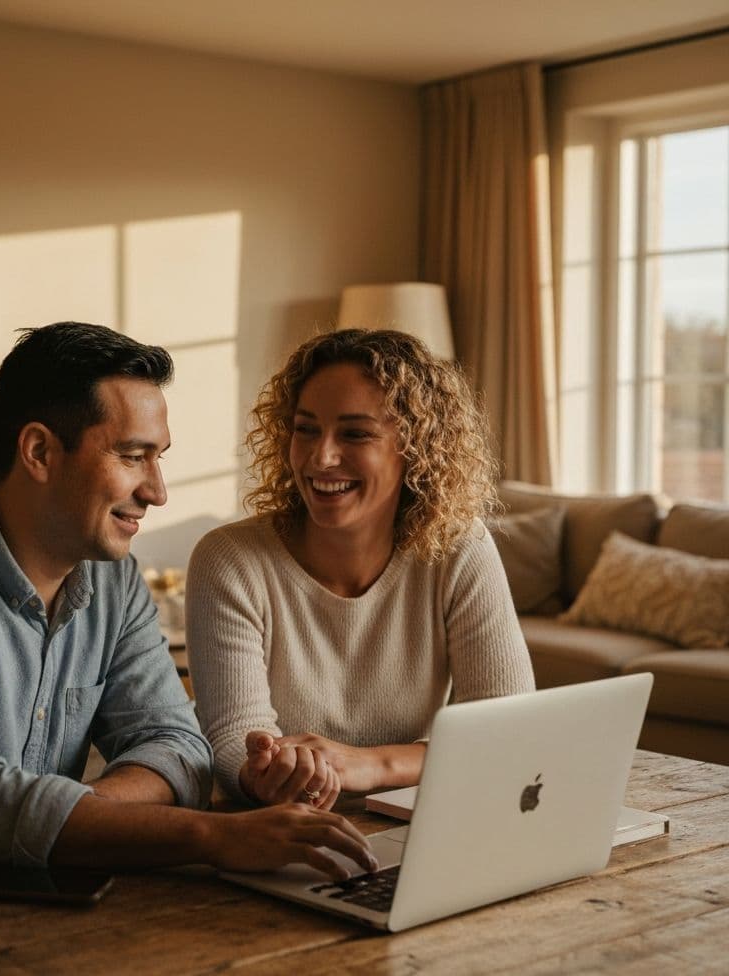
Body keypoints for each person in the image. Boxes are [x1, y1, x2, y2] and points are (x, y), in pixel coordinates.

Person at [0, 322, 377, 880]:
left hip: (22, 901)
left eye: (159, 458)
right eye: (133, 455)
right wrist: (213, 838)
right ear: (38, 452)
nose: (157, 491)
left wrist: (51, 818)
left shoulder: (113, 585)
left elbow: (180, 751)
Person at [185, 328, 534, 809]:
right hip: (281, 829)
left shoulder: (460, 547)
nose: (321, 457)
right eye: (306, 429)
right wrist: (264, 772)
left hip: (418, 826)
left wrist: (368, 764)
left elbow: (509, 732)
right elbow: (232, 746)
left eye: (355, 433)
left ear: (415, 448)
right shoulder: (230, 560)